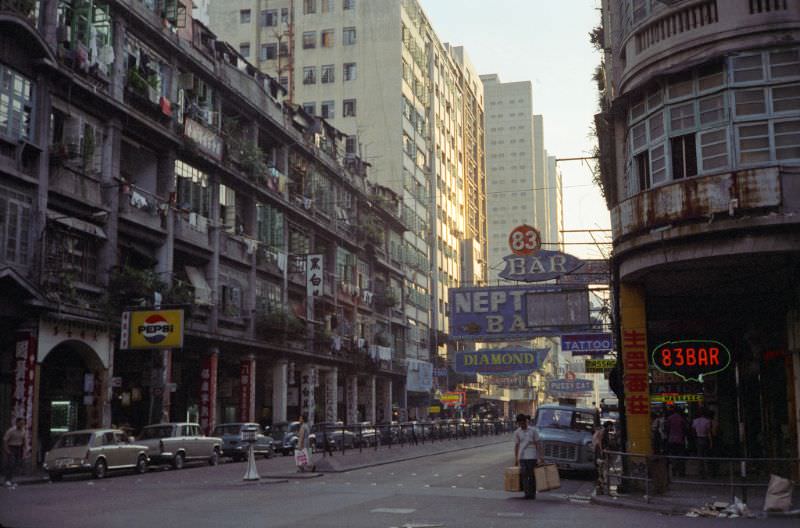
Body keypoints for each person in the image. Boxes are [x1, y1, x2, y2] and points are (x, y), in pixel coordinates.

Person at [513, 413, 544, 500]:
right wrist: (516, 458)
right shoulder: (517, 432)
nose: (522, 425)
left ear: (526, 421)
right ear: (518, 423)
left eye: (523, 423)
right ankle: (527, 494)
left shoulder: (533, 431)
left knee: (532, 476)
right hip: (522, 457)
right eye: (520, 424)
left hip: (532, 456)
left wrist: (541, 457)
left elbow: (538, 444)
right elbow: (516, 445)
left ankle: (532, 494)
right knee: (524, 475)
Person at [665, 406, 688, 477]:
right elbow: (685, 429)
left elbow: (667, 429)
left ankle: (674, 471)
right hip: (680, 440)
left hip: (671, 440)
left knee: (673, 455)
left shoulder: (669, 418)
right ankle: (681, 472)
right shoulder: (682, 419)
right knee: (681, 456)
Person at [4, 417, 27, 487]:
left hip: (19, 447)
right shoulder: (11, 430)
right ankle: (7, 480)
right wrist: (7, 449)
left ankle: (11, 480)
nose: (22, 425)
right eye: (20, 423)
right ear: (17, 423)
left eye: (23, 423)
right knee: (11, 464)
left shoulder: (23, 430)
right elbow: (5, 440)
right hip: (12, 447)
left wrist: (25, 448)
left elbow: (24, 439)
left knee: (16, 464)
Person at [692, 408, 713, 478]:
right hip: (705, 438)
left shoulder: (695, 421)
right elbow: (709, 432)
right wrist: (711, 442)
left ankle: (701, 473)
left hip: (698, 438)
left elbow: (693, 430)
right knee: (706, 456)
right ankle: (708, 472)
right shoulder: (707, 421)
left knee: (700, 456)